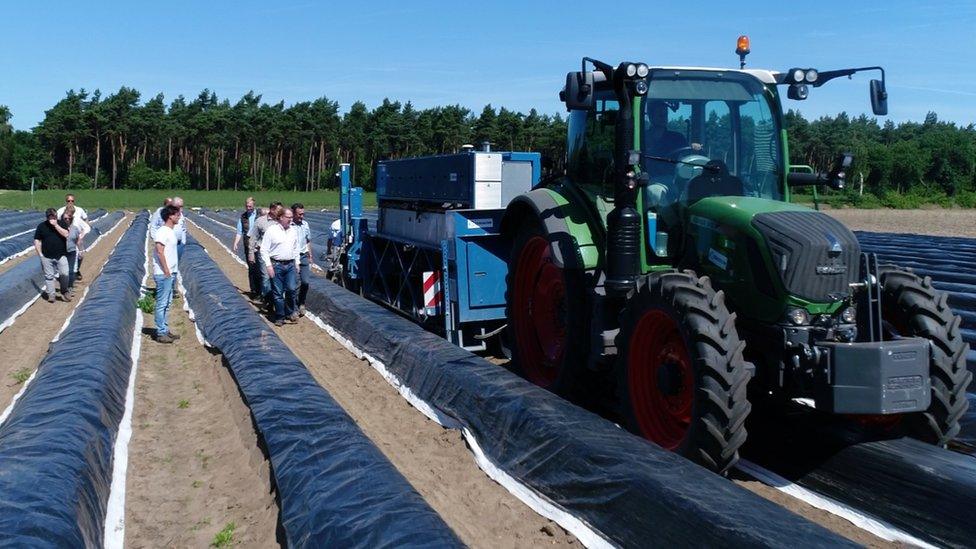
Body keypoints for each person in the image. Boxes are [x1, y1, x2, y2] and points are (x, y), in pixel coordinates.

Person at [260, 205, 301, 326]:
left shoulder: (293, 231)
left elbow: (296, 248)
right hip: (276, 265)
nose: (290, 219)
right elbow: (264, 250)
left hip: (290, 265)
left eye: (291, 217)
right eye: (288, 217)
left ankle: (290, 311)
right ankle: (280, 316)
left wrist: (297, 263)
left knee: (291, 289)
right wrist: (268, 266)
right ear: (281, 217)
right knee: (278, 293)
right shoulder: (272, 231)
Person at [152, 205, 182, 343]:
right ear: (170, 216)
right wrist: (166, 271)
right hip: (164, 273)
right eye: (177, 214)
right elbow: (159, 251)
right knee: (162, 303)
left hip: (170, 272)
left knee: (167, 302)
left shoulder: (170, 231)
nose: (179, 216)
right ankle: (160, 332)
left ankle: (164, 328)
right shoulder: (162, 231)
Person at [33, 208, 72, 303]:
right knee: (49, 276)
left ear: (56, 216)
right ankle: (51, 295)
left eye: (53, 216)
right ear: (47, 217)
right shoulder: (41, 226)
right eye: (50, 216)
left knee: (65, 273)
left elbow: (66, 234)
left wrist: (56, 226)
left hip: (61, 254)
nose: (52, 218)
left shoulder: (62, 223)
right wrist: (40, 255)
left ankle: (64, 291)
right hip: (46, 255)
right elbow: (37, 240)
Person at [248, 201, 282, 307]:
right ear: (272, 210)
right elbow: (253, 238)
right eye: (278, 210)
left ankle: (273, 299)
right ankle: (268, 300)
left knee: (277, 277)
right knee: (266, 277)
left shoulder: (281, 221)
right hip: (263, 253)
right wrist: (251, 253)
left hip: (277, 254)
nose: (280, 212)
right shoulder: (260, 221)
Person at [232, 197, 261, 297]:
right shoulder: (243, 217)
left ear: (254, 206)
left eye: (250, 206)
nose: (248, 208)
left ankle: (261, 291)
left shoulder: (260, 214)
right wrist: (236, 243)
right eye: (247, 206)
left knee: (260, 268)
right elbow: (239, 232)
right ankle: (254, 290)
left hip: (259, 244)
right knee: (252, 267)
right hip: (248, 244)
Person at [57, 193, 89, 280]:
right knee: (66, 255)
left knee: (80, 255)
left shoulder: (79, 210)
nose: (70, 202)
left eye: (72, 201)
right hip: (66, 236)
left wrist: (83, 232)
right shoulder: (61, 210)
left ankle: (77, 270)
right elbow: (56, 221)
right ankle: (66, 275)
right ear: (66, 201)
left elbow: (86, 219)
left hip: (77, 236)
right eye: (68, 201)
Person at [291, 203, 314, 316]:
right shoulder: (289, 226)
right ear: (294, 213)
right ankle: (294, 308)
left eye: (303, 214)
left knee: (305, 282)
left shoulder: (305, 224)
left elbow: (308, 240)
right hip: (293, 257)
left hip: (304, 255)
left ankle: (301, 302)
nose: (302, 216)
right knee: (295, 282)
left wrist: (310, 255)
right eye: (299, 214)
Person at [62, 206, 85, 294]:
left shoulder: (75, 228)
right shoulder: (59, 228)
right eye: (65, 218)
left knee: (71, 270)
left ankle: (70, 287)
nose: (67, 219)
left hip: (71, 251)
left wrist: (81, 251)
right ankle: (64, 286)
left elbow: (78, 240)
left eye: (69, 218)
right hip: (62, 252)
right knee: (63, 271)